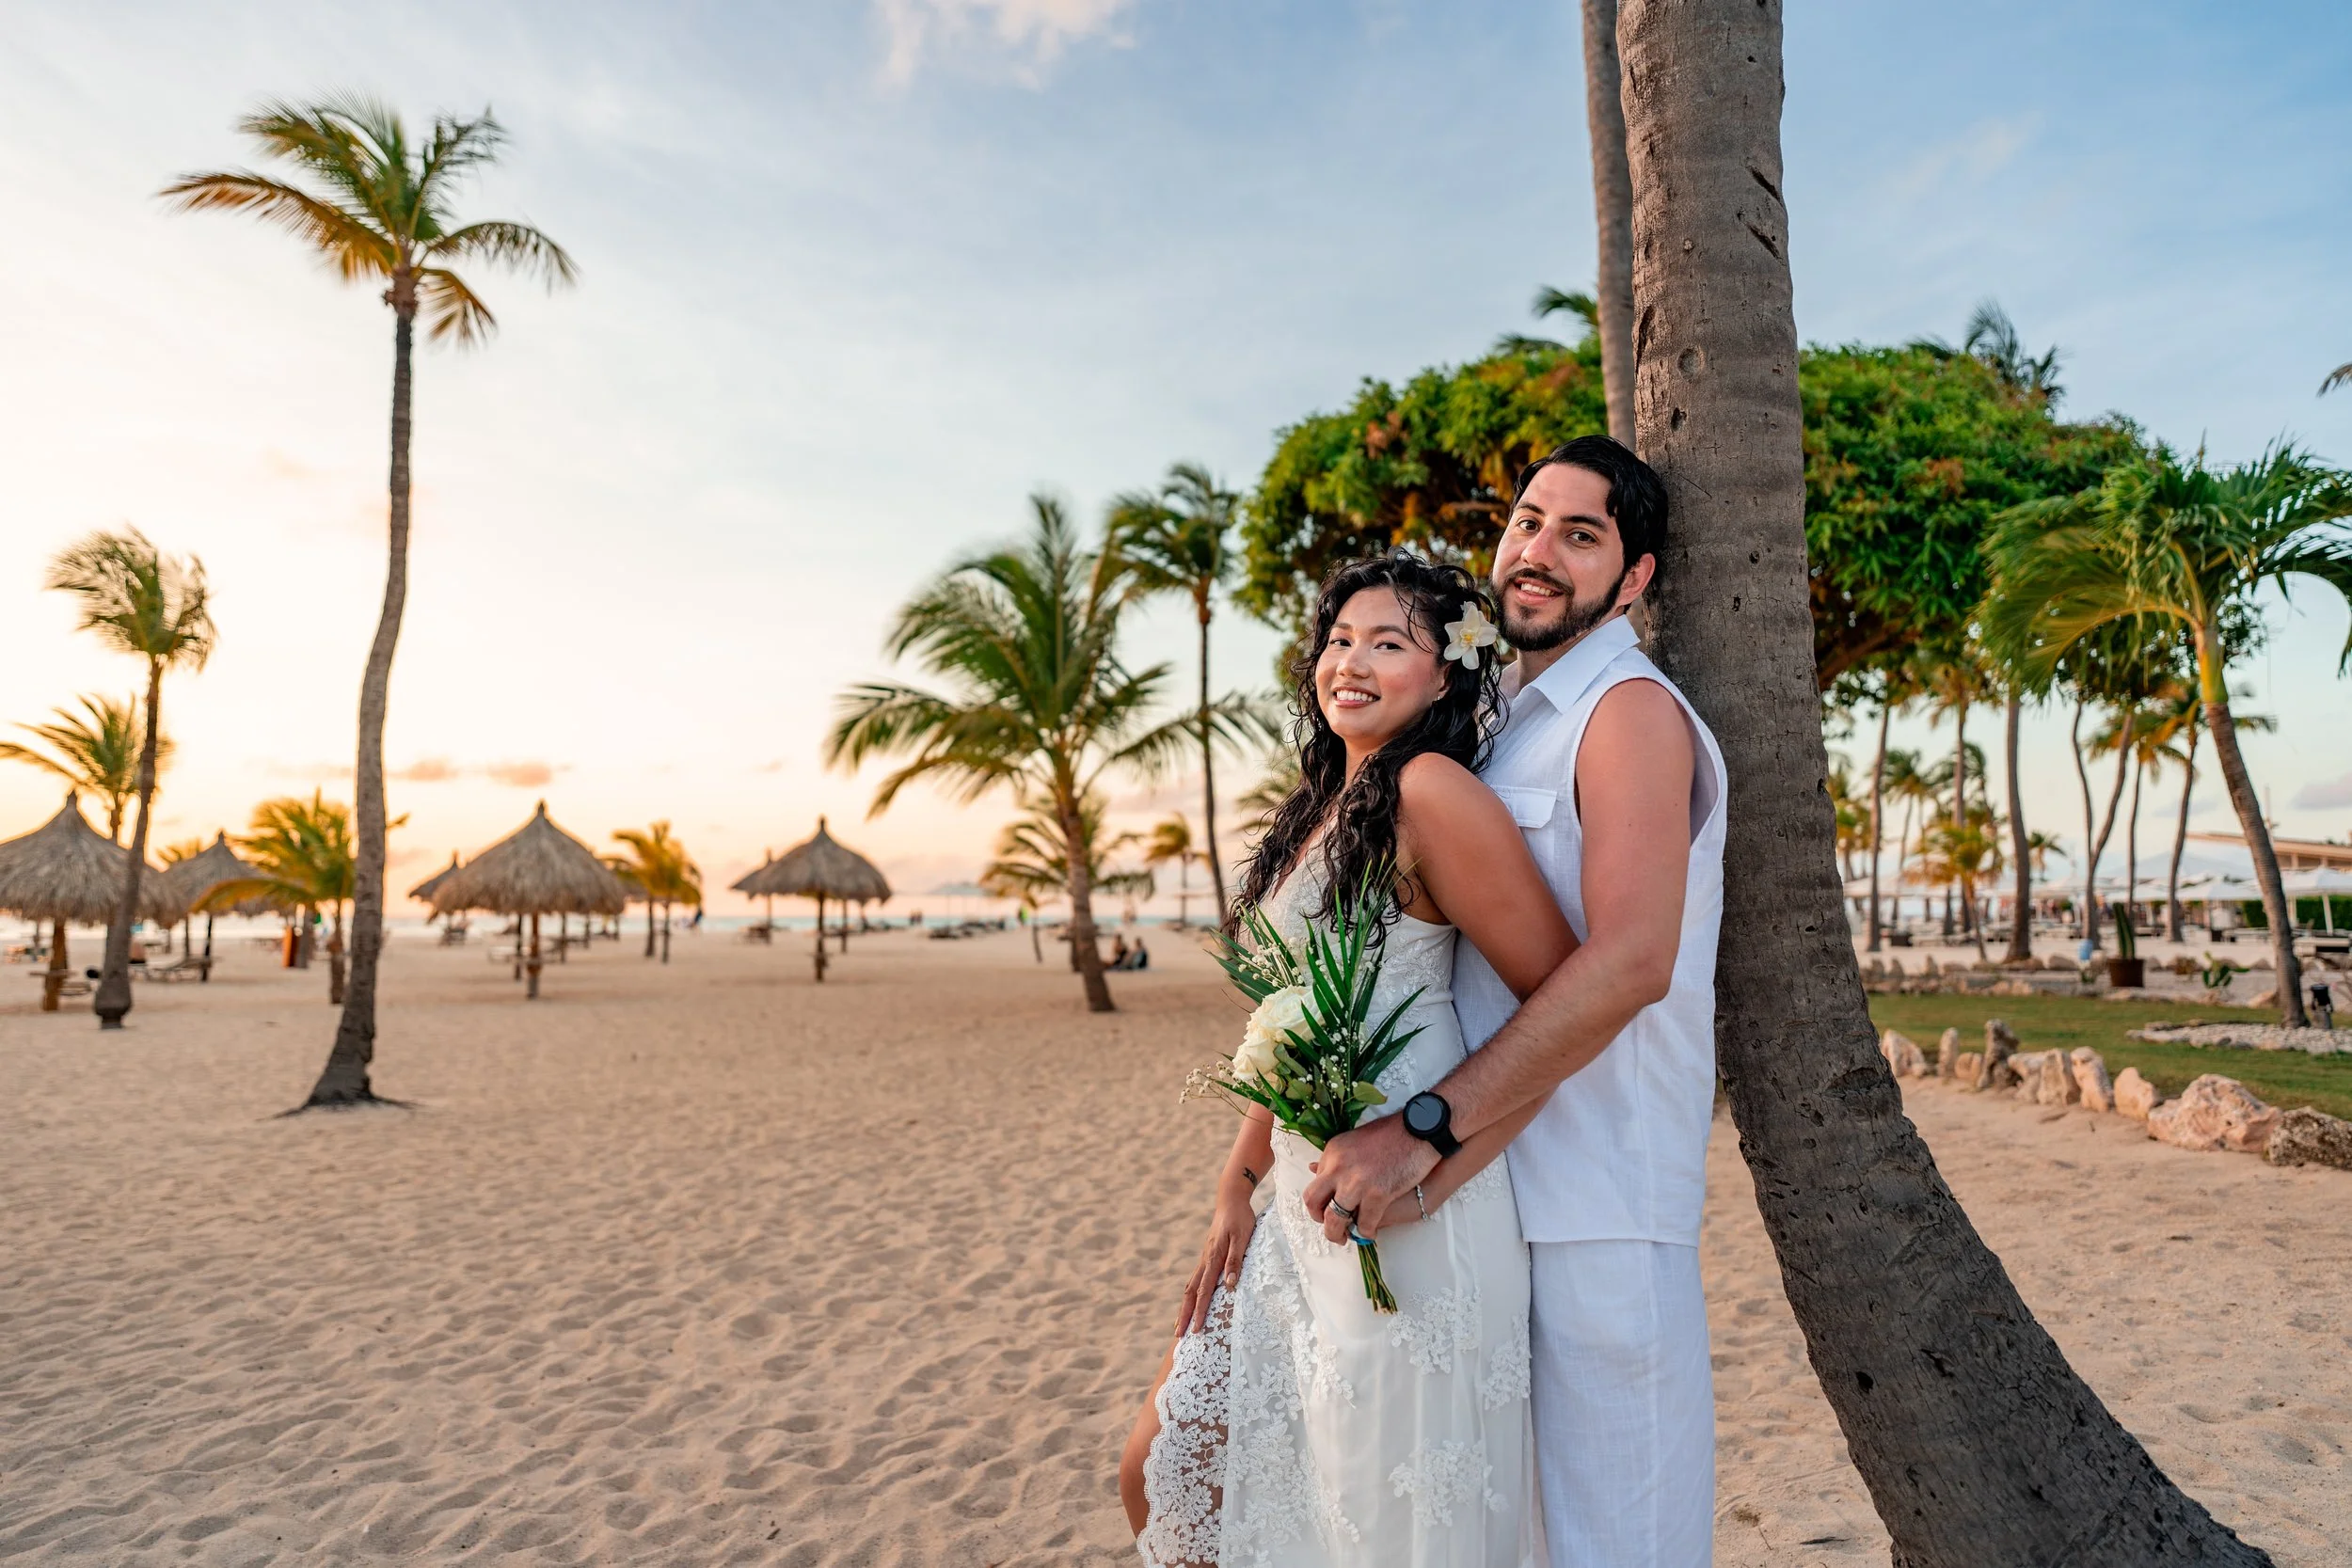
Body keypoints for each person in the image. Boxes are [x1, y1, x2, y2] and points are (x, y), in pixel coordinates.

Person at [1303, 436, 1725, 1568]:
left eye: (1580, 535)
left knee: (1617, 1547)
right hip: (1483, 1207)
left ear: (1633, 578)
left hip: (1598, 1201)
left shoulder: (1627, 710)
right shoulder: (1503, 716)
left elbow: (1633, 961)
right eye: (1527, 521)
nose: (1536, 551)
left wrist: (1422, 1124)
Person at [1121, 550, 1579, 1566]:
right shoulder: (1327, 799)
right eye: (1338, 639)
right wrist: (1236, 1183)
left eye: (1388, 643)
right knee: (1171, 1473)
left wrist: (1429, 1158)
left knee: (1375, 1523)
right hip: (1297, 1205)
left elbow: (1564, 1008)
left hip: (1406, 1212)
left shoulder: (1430, 789)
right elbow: (1293, 1016)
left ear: (1447, 673)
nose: (1352, 661)